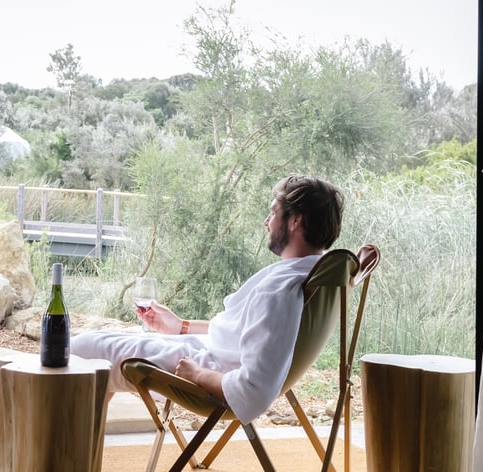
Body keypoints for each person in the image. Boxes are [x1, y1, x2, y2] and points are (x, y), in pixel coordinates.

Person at [71, 174, 345, 424]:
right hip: (209, 353)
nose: (266, 221)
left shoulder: (280, 291)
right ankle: (82, 443)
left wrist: (197, 374)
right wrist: (181, 326)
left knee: (80, 351)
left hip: (208, 368)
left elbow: (254, 390)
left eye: (273, 212)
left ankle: (71, 451)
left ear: (296, 220)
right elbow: (245, 334)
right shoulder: (311, 272)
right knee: (91, 341)